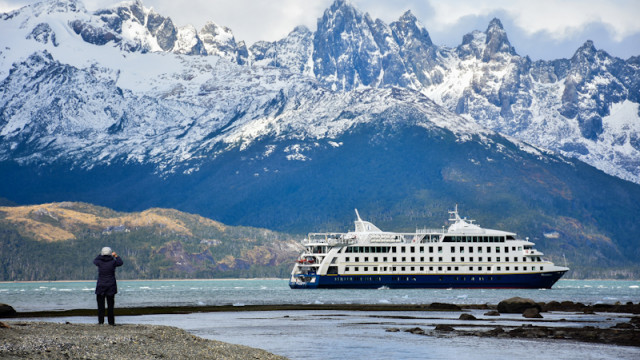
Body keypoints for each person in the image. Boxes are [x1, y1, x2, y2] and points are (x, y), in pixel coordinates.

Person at [94, 246, 123, 325]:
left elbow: (95, 261)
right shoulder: (113, 262)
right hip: (111, 285)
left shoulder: (99, 262)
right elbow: (120, 262)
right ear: (110, 253)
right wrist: (116, 256)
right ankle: (111, 322)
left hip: (101, 285)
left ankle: (101, 321)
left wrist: (100, 255)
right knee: (110, 306)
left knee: (100, 306)